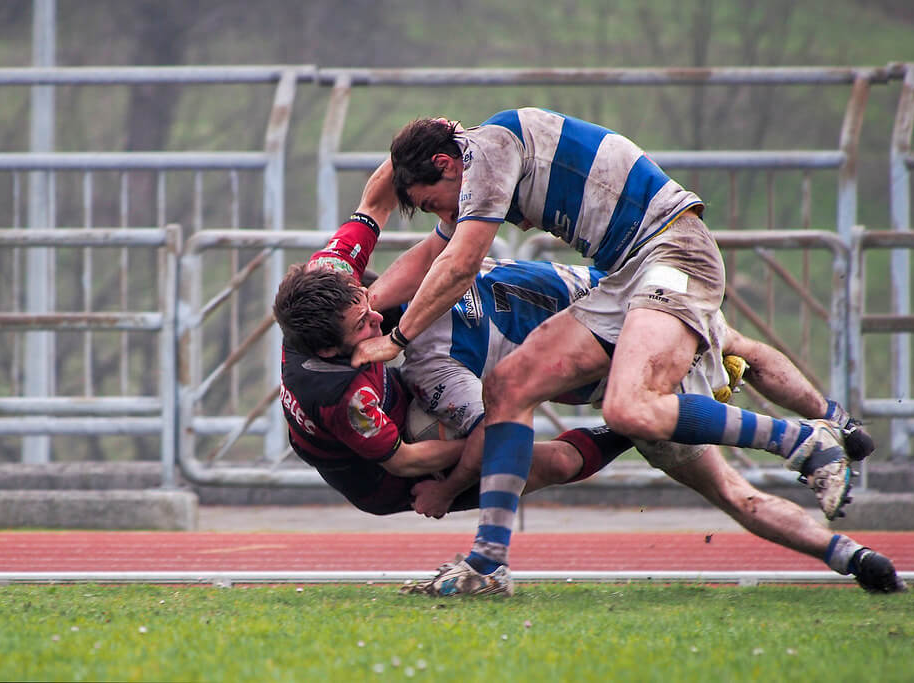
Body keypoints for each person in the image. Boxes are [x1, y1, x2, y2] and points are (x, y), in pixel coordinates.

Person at [352, 109, 869, 595]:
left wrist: (393, 339)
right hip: (624, 281)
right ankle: (488, 565)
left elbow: (459, 263)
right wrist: (361, 304)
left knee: (634, 407)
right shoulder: (476, 166)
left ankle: (811, 437)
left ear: (445, 164)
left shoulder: (484, 155)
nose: (440, 214)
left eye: (430, 203)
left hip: (671, 251)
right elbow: (434, 253)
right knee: (511, 386)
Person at [272, 161, 630, 518]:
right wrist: (448, 488)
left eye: (367, 306)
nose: (377, 318)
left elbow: (375, 204)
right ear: (329, 350)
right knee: (544, 462)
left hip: (395, 394)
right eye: (363, 325)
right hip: (386, 472)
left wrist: (414, 150)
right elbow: (404, 461)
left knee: (490, 424)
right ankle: (631, 430)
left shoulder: (330, 272)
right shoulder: (344, 397)